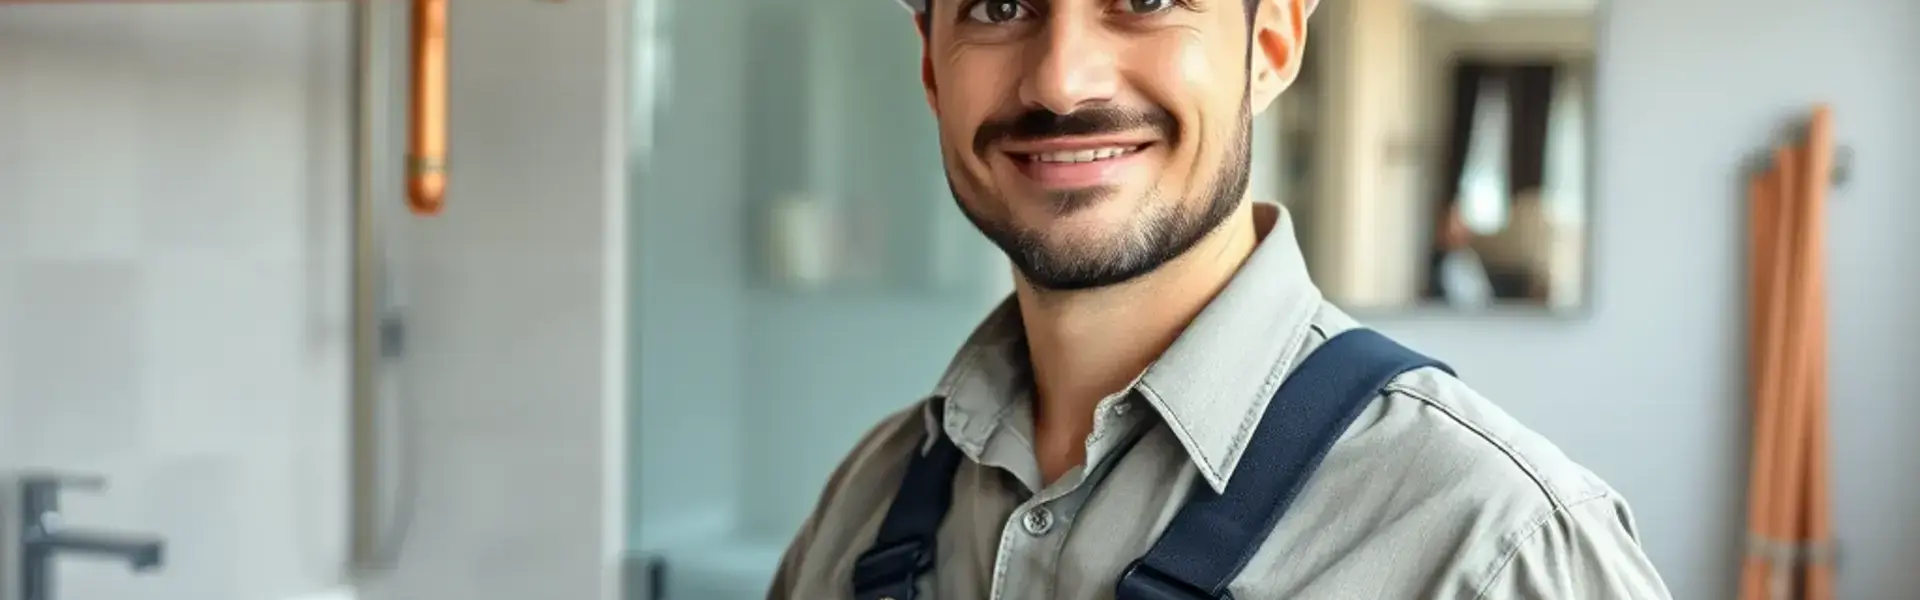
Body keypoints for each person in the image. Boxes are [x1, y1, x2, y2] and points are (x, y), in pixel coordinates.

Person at [768, 0, 1672, 598]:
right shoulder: (864, 502)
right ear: (932, 69)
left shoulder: (1500, 544)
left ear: (1271, 42)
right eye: (1001, 5)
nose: (1061, 79)